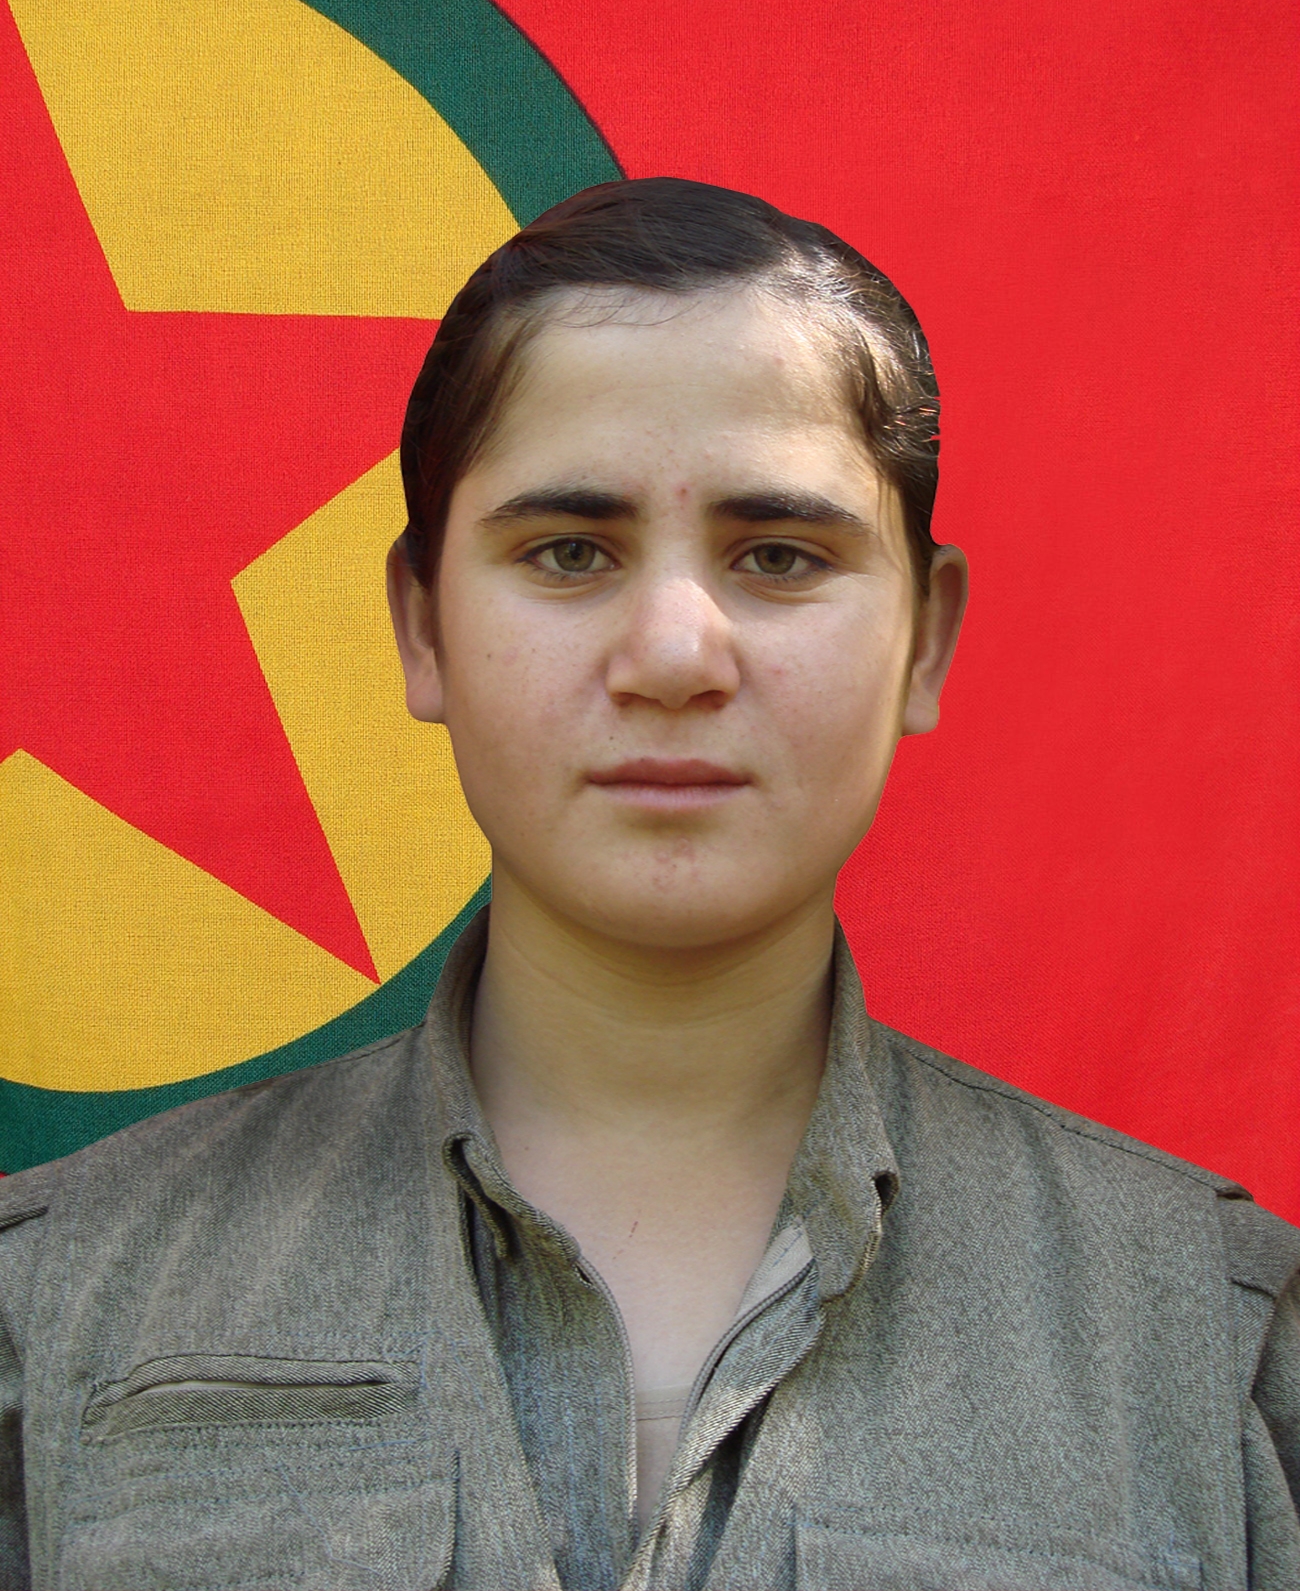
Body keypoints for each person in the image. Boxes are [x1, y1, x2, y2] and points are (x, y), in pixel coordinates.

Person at [0, 178, 1296, 1591]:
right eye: (569, 552)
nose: (676, 652)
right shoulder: (57, 1306)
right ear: (423, 627)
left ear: (925, 641)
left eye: (780, 556)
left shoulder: (1212, 1346)